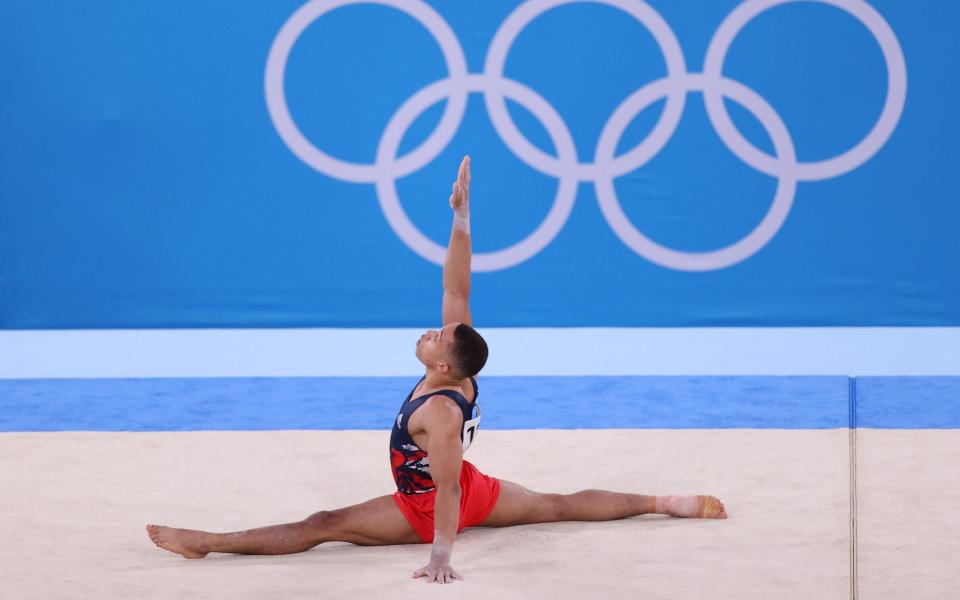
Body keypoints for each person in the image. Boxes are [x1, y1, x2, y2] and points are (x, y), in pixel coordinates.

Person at [146, 155, 727, 584]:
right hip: (473, 488)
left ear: (444, 364)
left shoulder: (441, 413)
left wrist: (441, 554)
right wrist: (463, 214)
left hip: (427, 505)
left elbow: (444, 486)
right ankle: (669, 502)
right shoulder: (462, 374)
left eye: (436, 337)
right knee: (556, 504)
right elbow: (456, 282)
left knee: (323, 524)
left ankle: (209, 543)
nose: (430, 330)